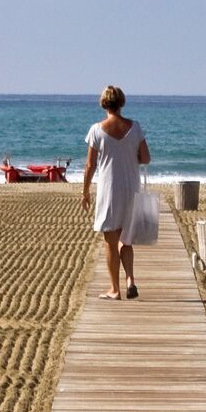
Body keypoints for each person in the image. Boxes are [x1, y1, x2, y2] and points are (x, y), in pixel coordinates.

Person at [81, 85, 150, 299]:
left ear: (104, 103)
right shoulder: (135, 127)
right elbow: (146, 158)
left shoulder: (96, 130)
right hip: (131, 187)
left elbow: (90, 165)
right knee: (126, 239)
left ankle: (115, 289)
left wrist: (85, 192)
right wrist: (129, 157)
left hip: (109, 189)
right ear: (121, 102)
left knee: (110, 240)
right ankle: (130, 279)